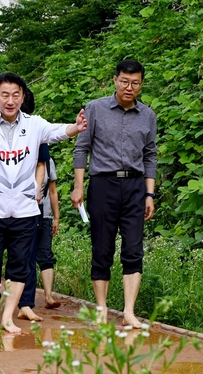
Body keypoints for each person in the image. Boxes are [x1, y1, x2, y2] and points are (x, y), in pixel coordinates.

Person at [0, 72, 87, 333]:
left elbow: (57, 132)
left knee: (20, 266)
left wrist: (76, 127)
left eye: (16, 94)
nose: (11, 100)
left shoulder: (35, 123)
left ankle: (8, 316)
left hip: (25, 209)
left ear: (23, 96)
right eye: (4, 95)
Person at [71, 59, 157, 328]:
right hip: (102, 185)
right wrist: (78, 186)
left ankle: (129, 312)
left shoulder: (148, 115)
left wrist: (149, 194)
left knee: (133, 249)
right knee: (102, 248)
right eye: (124, 81)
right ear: (115, 80)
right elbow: (81, 148)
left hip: (134, 187)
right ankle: (101, 308)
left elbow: (151, 155)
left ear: (141, 84)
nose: (129, 87)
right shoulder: (95, 109)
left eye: (135, 83)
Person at [16, 87, 59, 322]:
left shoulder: (38, 136)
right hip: (3, 207)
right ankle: (1, 299)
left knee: (35, 254)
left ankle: (27, 302)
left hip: (35, 209)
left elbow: (47, 177)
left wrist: (35, 191)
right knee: (11, 256)